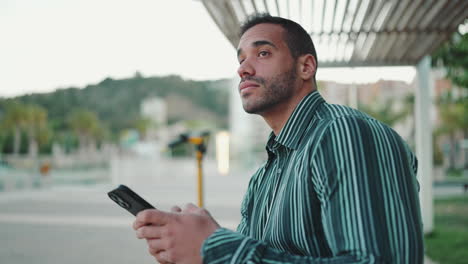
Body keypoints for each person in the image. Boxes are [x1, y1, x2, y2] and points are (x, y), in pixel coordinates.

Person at [133, 14, 424, 264]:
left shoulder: (344, 134)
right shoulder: (263, 177)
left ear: (306, 67)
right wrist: (198, 249)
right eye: (241, 58)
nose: (243, 69)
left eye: (262, 53)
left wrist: (215, 247)